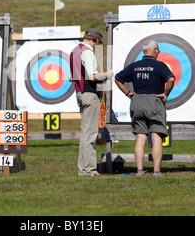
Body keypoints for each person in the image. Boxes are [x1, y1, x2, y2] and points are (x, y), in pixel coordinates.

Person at [114, 40, 175, 177]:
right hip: (154, 101)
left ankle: (139, 171)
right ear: (154, 50)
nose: (158, 52)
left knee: (140, 138)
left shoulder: (134, 66)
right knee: (156, 137)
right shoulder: (160, 66)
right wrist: (165, 94)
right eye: (158, 50)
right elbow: (171, 79)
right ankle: (157, 171)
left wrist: (128, 93)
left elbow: (117, 78)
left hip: (137, 101)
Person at [69, 28, 113, 176]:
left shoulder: (75, 51)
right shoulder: (87, 52)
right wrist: (107, 75)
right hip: (90, 93)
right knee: (90, 134)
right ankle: (88, 170)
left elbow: (71, 77)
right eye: (97, 43)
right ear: (94, 40)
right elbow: (92, 76)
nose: (97, 46)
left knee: (85, 132)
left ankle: (83, 169)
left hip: (80, 93)